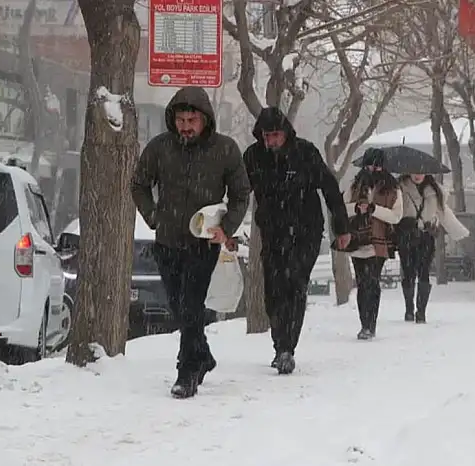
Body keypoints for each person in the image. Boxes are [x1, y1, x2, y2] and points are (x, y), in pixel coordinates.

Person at [131, 87, 251, 398]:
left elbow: (241, 194)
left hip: (203, 242)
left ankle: (187, 372)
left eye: (192, 120)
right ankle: (204, 355)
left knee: (191, 303)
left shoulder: (224, 149)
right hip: (167, 240)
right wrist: (153, 216)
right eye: (181, 120)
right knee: (178, 305)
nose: (186, 126)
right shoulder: (160, 148)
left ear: (205, 120)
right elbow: (139, 184)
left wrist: (226, 227)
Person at [241, 107, 351, 375]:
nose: (272, 141)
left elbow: (329, 187)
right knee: (274, 290)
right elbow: (238, 192)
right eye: (267, 136)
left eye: (276, 135)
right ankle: (279, 344)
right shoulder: (254, 157)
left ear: (286, 133)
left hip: (306, 231)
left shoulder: (305, 152)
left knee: (296, 284)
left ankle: (288, 348)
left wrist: (342, 227)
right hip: (272, 232)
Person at [342, 149, 403, 340]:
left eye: (377, 166)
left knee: (372, 281)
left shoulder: (393, 190)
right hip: (358, 240)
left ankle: (371, 324)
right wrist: (357, 208)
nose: (373, 169)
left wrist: (374, 209)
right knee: (362, 283)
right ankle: (364, 324)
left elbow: (396, 216)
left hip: (380, 241)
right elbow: (343, 208)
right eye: (369, 165)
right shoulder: (355, 186)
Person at [396, 173, 469, 323]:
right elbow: (395, 211)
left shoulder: (434, 191)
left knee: (424, 273)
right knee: (408, 272)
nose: (417, 175)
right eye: (414, 171)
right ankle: (409, 309)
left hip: (426, 236)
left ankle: (421, 312)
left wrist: (458, 231)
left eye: (420, 172)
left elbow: (443, 213)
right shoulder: (400, 188)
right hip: (406, 235)